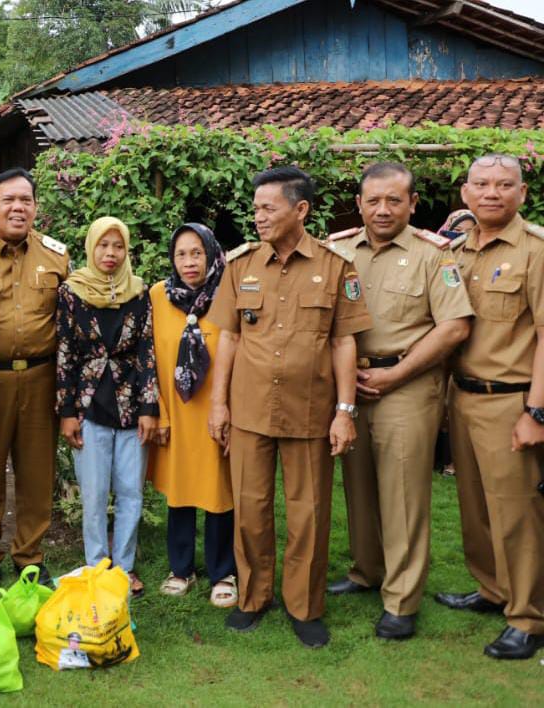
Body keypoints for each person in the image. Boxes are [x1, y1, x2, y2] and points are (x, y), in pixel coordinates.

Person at [206, 165, 371, 648]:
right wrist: (219, 405)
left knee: (309, 512)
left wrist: (345, 411)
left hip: (310, 410)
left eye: (267, 208)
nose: (258, 217)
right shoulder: (240, 265)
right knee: (251, 509)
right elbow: (229, 339)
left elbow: (345, 343)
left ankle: (305, 606)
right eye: (255, 208)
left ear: (300, 210)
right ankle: (253, 598)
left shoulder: (336, 267)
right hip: (250, 410)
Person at [324, 162, 473, 641]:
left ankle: (402, 600)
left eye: (394, 200)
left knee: (403, 493)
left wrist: (395, 376)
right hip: (352, 384)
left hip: (407, 384)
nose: (383, 209)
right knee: (359, 483)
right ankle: (367, 570)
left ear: (412, 204)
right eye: (373, 200)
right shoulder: (340, 249)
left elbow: (454, 326)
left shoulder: (434, 255)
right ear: (360, 202)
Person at [437, 154, 544, 660]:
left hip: (511, 401)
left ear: (522, 194)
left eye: (505, 185)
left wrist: (536, 412)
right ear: (465, 193)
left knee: (517, 513)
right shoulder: (460, 251)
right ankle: (492, 589)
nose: (492, 193)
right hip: (463, 397)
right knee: (475, 507)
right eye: (481, 184)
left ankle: (528, 617)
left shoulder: (536, 250)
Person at [0, 168, 69, 587]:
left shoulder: (55, 256)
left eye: (26, 200)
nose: (18, 207)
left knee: (37, 473)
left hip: (41, 380)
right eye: (8, 200)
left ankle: (30, 556)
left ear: (35, 207)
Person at [56, 217, 158, 596]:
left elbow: (148, 350)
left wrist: (150, 407)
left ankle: (125, 568)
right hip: (88, 405)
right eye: (103, 245)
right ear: (91, 247)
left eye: (118, 246)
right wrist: (66, 412)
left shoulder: (138, 292)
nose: (110, 253)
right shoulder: (72, 291)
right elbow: (64, 353)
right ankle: (97, 565)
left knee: (131, 490)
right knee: (95, 493)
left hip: (132, 405)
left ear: (126, 250)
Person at [147, 223, 237, 607]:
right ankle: (180, 568)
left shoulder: (228, 293)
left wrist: (230, 408)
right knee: (180, 489)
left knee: (220, 491)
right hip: (177, 413)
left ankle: (223, 571)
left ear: (212, 253)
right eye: (181, 254)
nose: (188, 262)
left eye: (197, 253)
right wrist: (161, 413)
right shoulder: (157, 296)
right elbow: (148, 358)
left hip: (217, 410)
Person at [434, 208, 479, 476]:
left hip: (470, 341)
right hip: (443, 338)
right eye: (459, 230)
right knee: (439, 402)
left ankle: (454, 461)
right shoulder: (441, 253)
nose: (465, 236)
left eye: (469, 231)